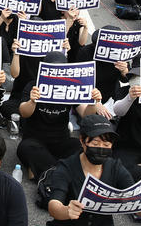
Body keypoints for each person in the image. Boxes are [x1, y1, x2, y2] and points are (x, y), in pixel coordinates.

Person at [17, 51, 103, 181]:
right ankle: (61, 171)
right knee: (25, 148)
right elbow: (23, 112)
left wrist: (93, 102)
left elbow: (85, 114)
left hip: (61, 140)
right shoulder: (33, 86)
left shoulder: (72, 86)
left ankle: (42, 169)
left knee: (82, 148)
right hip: (35, 139)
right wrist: (32, 101)